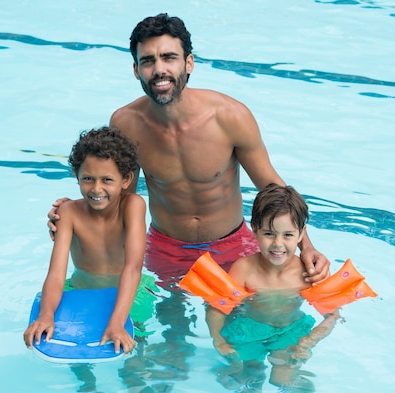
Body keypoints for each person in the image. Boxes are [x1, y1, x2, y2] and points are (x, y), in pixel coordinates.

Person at [48, 13, 329, 286]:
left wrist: (307, 248)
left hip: (233, 246)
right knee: (169, 330)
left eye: (169, 57)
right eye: (148, 61)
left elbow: (272, 188)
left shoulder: (230, 117)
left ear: (189, 63)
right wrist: (74, 217)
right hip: (164, 248)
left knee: (243, 328)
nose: (159, 70)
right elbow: (120, 202)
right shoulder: (126, 124)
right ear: (136, 70)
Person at [205, 183, 342, 393]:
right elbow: (218, 307)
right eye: (269, 234)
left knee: (282, 380)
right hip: (251, 329)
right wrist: (218, 339)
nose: (278, 244)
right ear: (254, 230)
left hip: (290, 331)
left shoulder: (307, 272)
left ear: (301, 234)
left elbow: (332, 315)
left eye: (288, 235)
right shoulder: (244, 269)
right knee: (245, 376)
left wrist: (309, 341)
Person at [24, 126, 146, 355]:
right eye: (88, 178)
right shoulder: (69, 212)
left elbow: (133, 267)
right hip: (80, 290)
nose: (96, 189)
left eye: (107, 180)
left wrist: (118, 321)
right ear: (76, 175)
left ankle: (134, 383)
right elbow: (57, 273)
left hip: (130, 292)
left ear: (126, 179)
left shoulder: (133, 206)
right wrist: (46, 315)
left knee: (137, 347)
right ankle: (89, 389)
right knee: (74, 351)